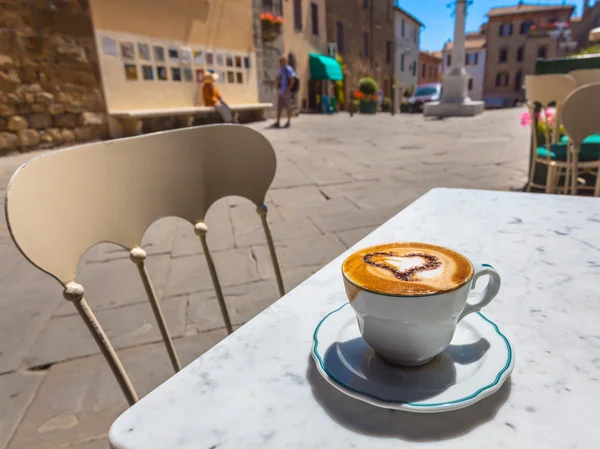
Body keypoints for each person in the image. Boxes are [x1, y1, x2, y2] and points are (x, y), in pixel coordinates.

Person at [270, 56, 296, 128]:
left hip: (286, 91)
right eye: (280, 61)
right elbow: (277, 78)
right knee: (279, 107)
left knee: (288, 107)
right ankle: (278, 122)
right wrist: (276, 83)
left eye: (282, 61)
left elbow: (292, 80)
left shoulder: (288, 69)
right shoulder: (280, 69)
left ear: (285, 61)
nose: (280, 63)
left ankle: (288, 122)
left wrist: (288, 89)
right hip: (281, 90)